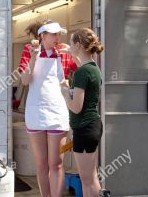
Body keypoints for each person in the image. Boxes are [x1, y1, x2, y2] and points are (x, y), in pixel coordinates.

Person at [19, 21, 77, 197]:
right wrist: (32, 57)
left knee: (56, 164)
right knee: (41, 164)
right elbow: (24, 80)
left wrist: (74, 53)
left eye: (59, 34)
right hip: (36, 112)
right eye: (54, 34)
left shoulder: (64, 54)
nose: (57, 38)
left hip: (58, 112)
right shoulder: (30, 51)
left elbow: (85, 68)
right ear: (42, 36)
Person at [61, 28, 104, 197]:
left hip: (85, 128)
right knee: (90, 177)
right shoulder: (93, 68)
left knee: (87, 179)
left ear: (78, 45)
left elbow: (76, 107)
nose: (69, 46)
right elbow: (83, 71)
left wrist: (65, 93)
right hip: (91, 127)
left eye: (71, 43)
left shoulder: (81, 73)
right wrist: (72, 54)